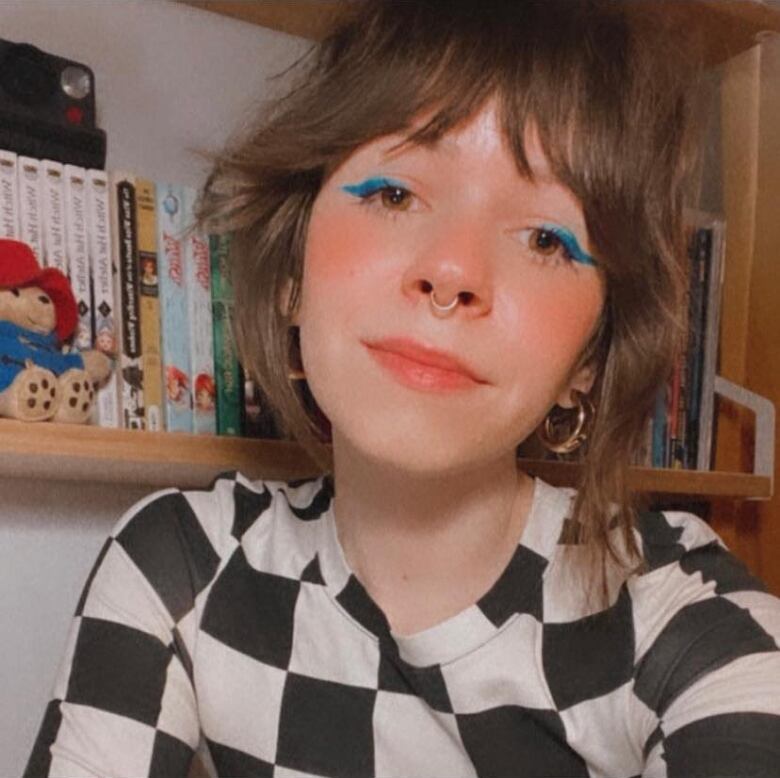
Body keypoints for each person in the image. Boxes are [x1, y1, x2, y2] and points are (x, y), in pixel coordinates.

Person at [25, 1, 780, 776]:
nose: (452, 270)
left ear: (589, 358)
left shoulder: (680, 617)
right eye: (394, 194)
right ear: (292, 271)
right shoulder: (183, 564)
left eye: (546, 238)